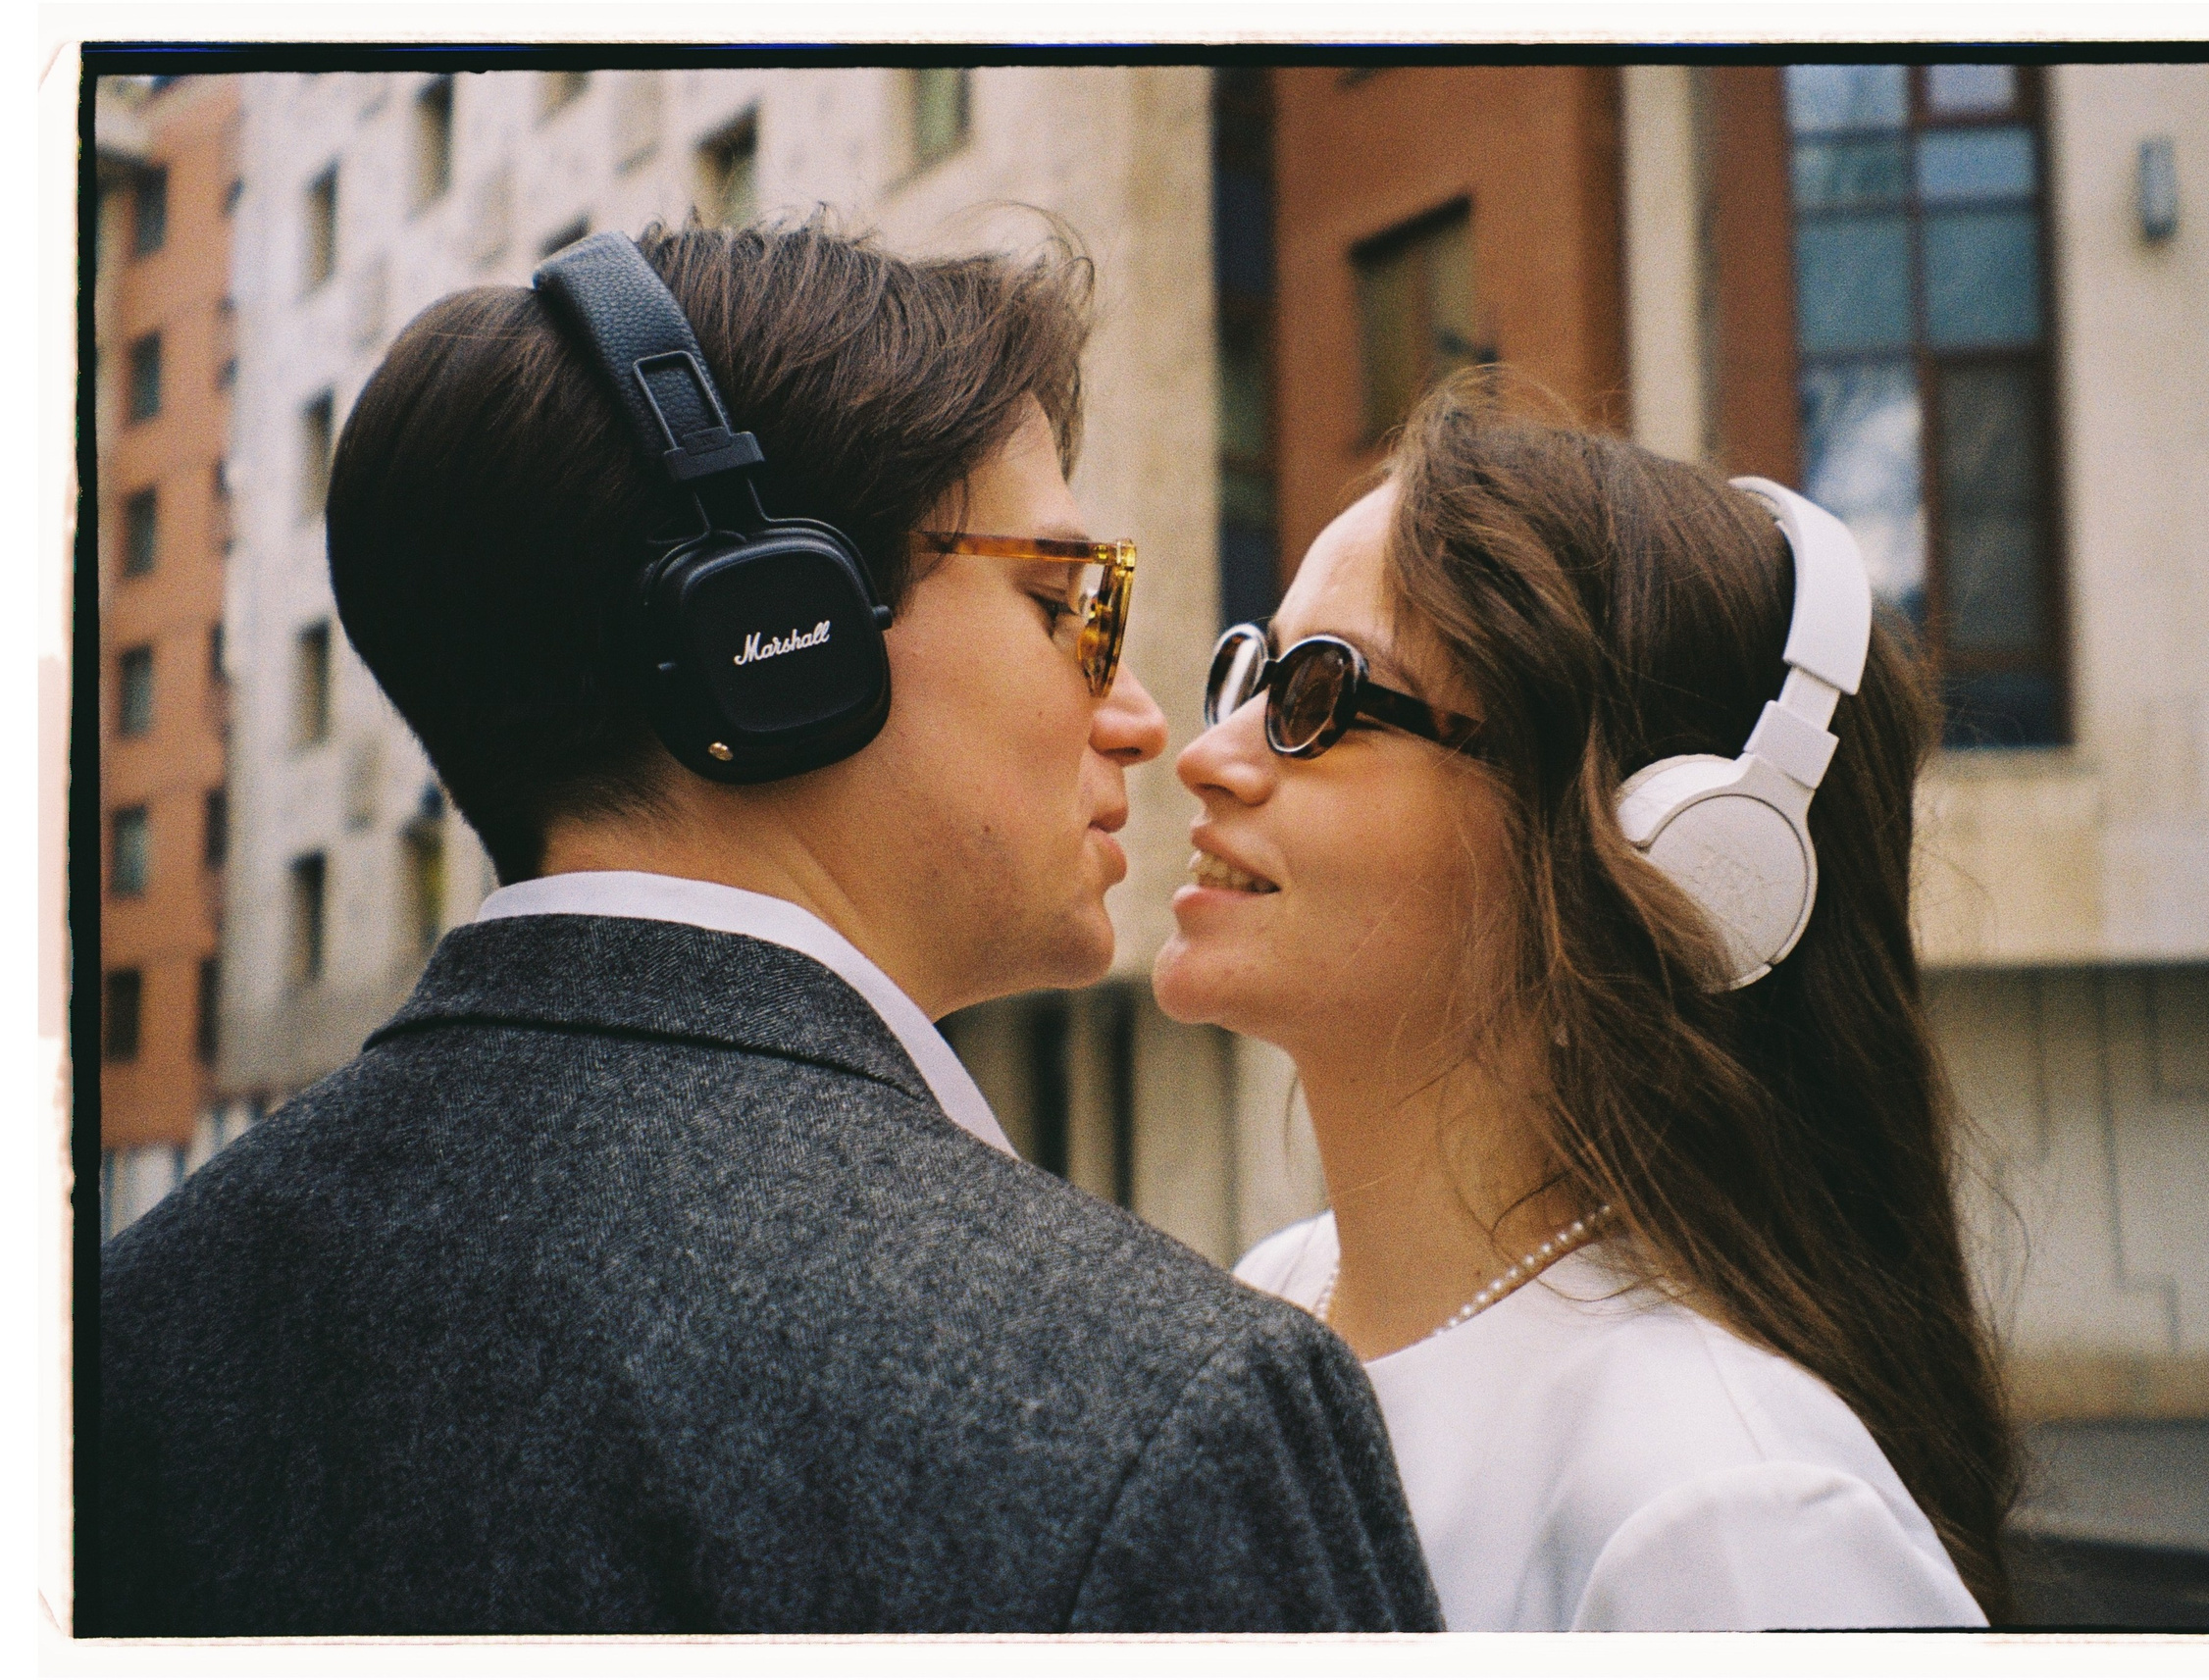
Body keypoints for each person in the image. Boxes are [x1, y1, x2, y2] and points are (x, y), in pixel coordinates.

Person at [86, 223, 1441, 1636]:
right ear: (778, 638)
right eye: (1066, 603)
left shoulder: (121, 1338)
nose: (1146, 719)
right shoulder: (1169, 1410)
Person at [1156, 375, 2017, 1631]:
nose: (1207, 755)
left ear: (1655, 859)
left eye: (1321, 695)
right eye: (1250, 675)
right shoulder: (1282, 1292)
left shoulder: (1730, 1514)